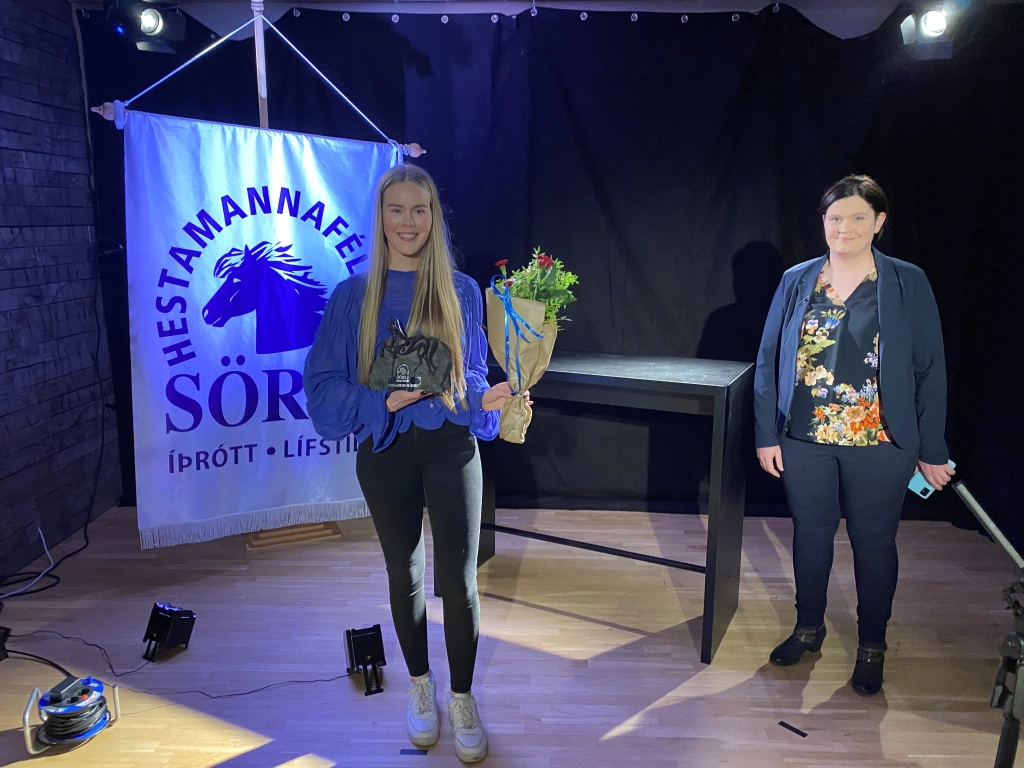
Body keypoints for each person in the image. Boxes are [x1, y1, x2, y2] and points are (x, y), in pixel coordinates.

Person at [304, 164, 524, 762]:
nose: (408, 222)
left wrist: (487, 399)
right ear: (380, 218)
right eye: (396, 210)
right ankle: (421, 687)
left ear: (434, 218)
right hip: (386, 453)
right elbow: (321, 388)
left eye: (419, 210)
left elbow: (469, 376)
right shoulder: (353, 296)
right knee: (403, 574)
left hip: (452, 448)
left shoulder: (462, 290)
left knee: (459, 580)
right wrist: (383, 401)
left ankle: (462, 696)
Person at [753, 174, 954, 696]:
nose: (845, 227)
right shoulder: (797, 280)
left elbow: (930, 368)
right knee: (811, 534)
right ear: (823, 221)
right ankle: (808, 628)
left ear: (879, 222)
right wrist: (765, 433)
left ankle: (871, 646)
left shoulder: (907, 281)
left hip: (882, 441)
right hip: (804, 438)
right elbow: (769, 360)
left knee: (873, 543)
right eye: (835, 217)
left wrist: (932, 448)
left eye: (858, 217)